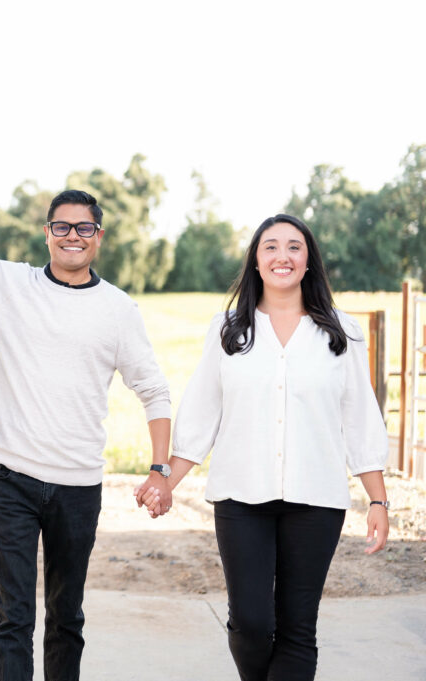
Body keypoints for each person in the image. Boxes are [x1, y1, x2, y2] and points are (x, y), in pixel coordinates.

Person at [0, 155, 173, 680]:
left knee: (66, 618)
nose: (73, 236)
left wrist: (161, 469)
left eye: (84, 228)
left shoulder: (117, 308)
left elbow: (154, 391)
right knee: (12, 618)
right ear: (47, 233)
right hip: (8, 478)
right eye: (63, 227)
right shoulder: (8, 285)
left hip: (78, 486)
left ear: (98, 236)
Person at [139, 214, 390, 680]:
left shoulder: (342, 332)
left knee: (298, 628)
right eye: (270, 247)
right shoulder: (229, 330)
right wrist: (166, 481)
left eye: (294, 247)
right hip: (241, 498)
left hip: (316, 500)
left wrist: (377, 499)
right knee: (252, 623)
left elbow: (360, 419)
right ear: (256, 262)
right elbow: (200, 415)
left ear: (308, 260)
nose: (283, 256)